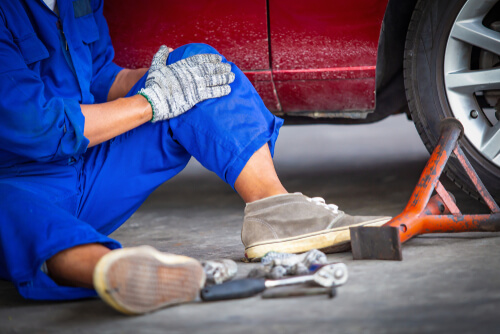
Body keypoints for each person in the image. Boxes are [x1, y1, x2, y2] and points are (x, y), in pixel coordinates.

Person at [0, 0, 390, 314]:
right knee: (12, 210)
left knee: (198, 64)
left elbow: (99, 76)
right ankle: (112, 271)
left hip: (90, 168)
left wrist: (163, 79)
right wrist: (150, 102)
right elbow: (37, 125)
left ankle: (275, 212)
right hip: (19, 183)